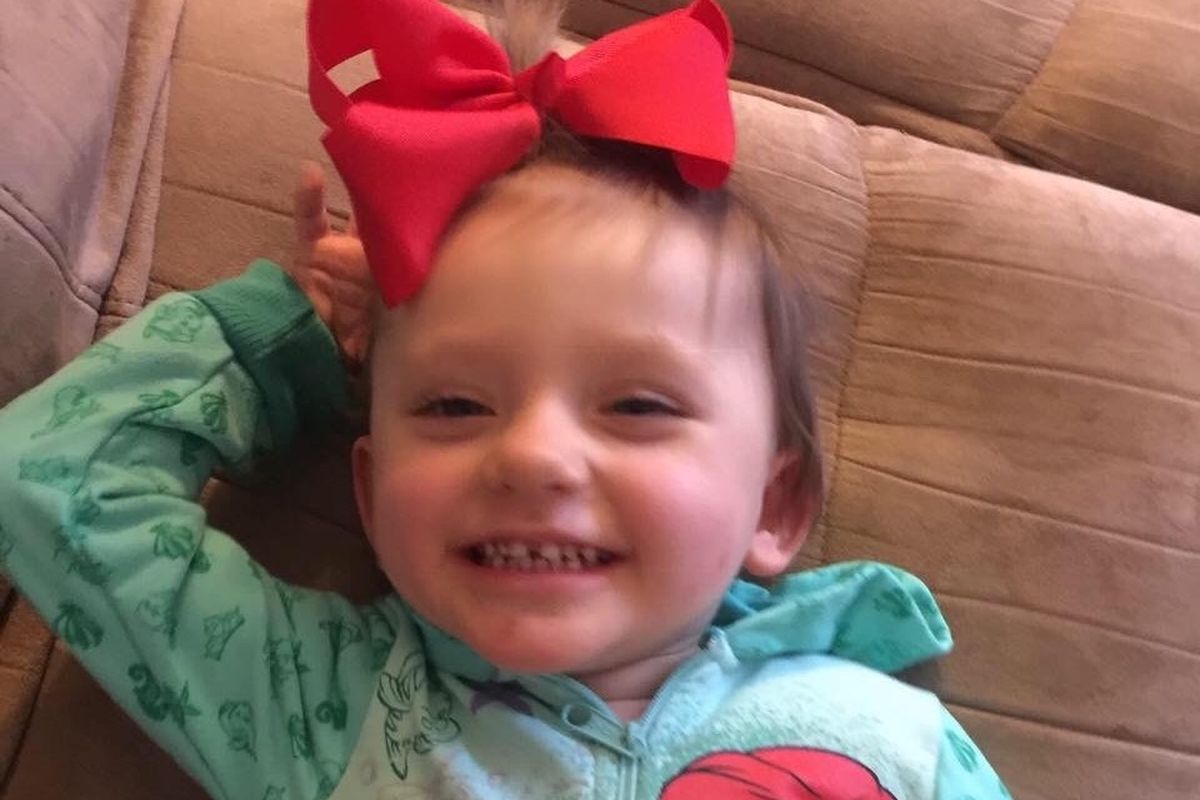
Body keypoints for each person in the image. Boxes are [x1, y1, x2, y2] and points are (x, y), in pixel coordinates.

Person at [0, 0, 1012, 797]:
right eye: (453, 406)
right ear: (371, 493)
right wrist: (287, 334)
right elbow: (48, 474)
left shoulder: (888, 735)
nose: (531, 454)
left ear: (775, 504)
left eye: (638, 406)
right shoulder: (321, 706)